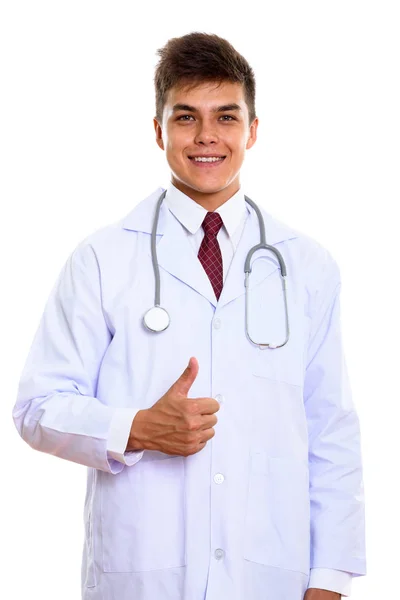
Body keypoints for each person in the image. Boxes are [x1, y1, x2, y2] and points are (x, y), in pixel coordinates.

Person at [12, 32, 366, 600]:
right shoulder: (103, 258)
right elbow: (37, 407)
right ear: (158, 131)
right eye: (185, 118)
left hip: (270, 577)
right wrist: (135, 429)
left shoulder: (308, 265)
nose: (206, 136)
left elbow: (331, 431)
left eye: (226, 116)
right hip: (142, 576)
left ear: (252, 130)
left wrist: (330, 579)